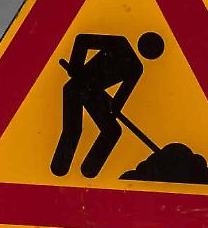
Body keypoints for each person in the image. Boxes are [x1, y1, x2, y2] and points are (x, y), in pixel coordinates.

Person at [50, 31, 164, 178]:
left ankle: (89, 170)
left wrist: (113, 108)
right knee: (73, 128)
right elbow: (82, 39)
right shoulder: (120, 44)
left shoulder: (136, 68)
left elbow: (121, 98)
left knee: (112, 131)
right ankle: (60, 167)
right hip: (76, 87)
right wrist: (75, 65)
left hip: (93, 94)